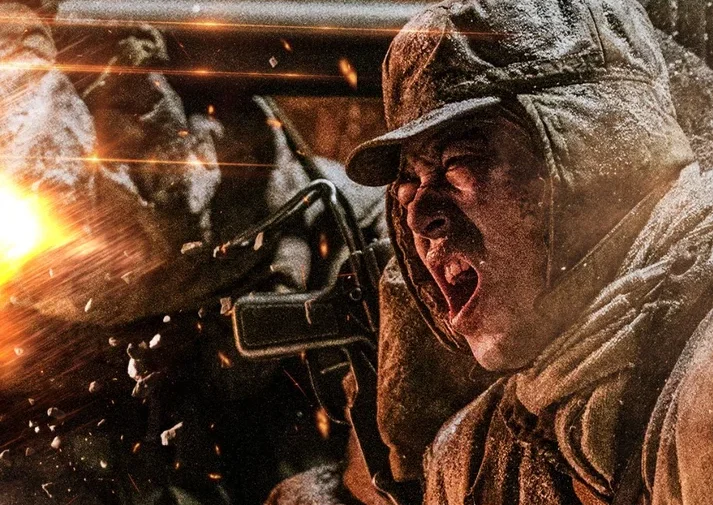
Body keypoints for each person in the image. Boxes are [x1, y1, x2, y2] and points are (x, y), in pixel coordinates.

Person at [343, 0, 713, 503]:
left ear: (595, 154)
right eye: (409, 181)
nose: (417, 215)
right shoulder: (473, 456)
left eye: (459, 162)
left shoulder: (701, 395)